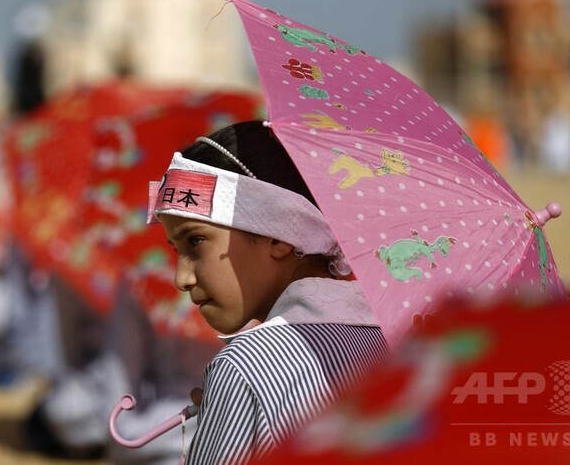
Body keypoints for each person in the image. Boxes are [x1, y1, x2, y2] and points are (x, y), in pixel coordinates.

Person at [147, 121, 389, 465]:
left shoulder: (244, 366)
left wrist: (235, 395)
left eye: (196, 241)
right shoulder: (396, 346)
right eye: (176, 249)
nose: (181, 278)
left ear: (279, 234)